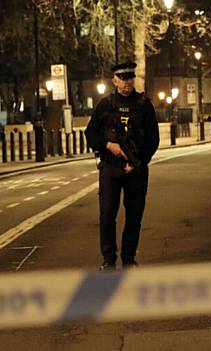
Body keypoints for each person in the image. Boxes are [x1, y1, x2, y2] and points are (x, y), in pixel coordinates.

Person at [85, 62, 160, 271]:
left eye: (130, 78)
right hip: (111, 167)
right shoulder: (105, 105)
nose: (127, 83)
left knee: (134, 215)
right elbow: (91, 134)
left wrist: (139, 162)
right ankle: (108, 259)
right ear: (114, 81)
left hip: (135, 169)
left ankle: (129, 258)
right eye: (123, 78)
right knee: (107, 213)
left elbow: (153, 139)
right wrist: (109, 145)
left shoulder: (144, 105)